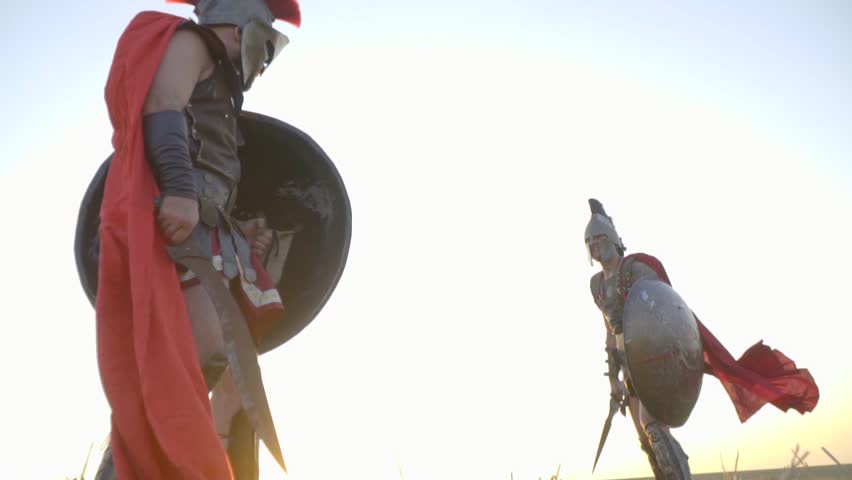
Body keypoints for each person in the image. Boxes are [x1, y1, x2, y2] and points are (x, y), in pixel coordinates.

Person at [93, 0, 301, 478]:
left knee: (197, 360)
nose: (266, 55)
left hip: (199, 231)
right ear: (243, 27)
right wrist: (180, 191)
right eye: (266, 33)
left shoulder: (221, 86)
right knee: (177, 365)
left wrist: (236, 231)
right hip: (174, 231)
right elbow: (163, 105)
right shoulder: (192, 42)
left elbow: (208, 165)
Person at [585, 198, 819, 480]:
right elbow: (609, 333)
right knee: (647, 442)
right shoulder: (597, 285)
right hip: (627, 366)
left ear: (611, 238)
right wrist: (614, 381)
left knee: (654, 427)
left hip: (651, 359)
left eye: (599, 238)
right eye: (590, 241)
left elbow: (665, 314)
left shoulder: (635, 269)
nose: (595, 245)